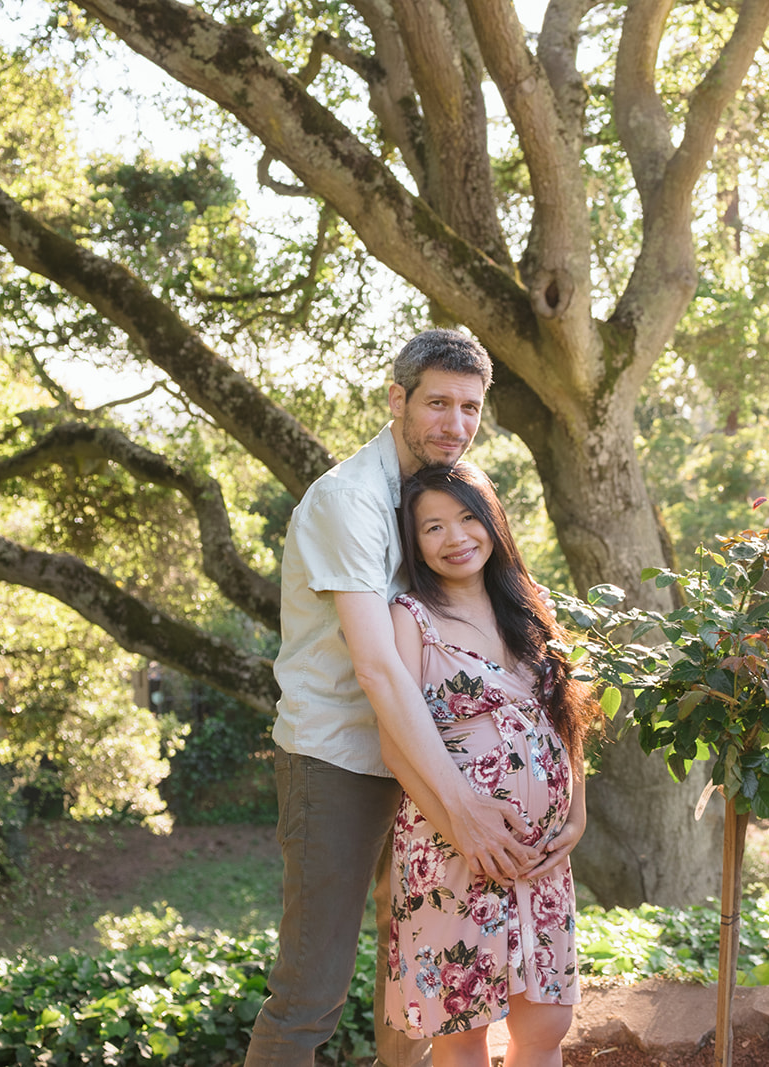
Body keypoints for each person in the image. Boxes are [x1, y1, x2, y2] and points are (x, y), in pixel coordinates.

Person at [248, 330, 541, 1067]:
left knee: (418, 971)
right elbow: (378, 669)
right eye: (438, 402)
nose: (454, 422)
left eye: (470, 407)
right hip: (337, 760)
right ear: (396, 399)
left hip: (423, 756)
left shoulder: (443, 495)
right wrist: (461, 806)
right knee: (311, 989)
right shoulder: (349, 500)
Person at [383, 462, 596, 1066]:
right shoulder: (410, 619)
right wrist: (468, 834)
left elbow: (567, 718)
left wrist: (575, 817)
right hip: (450, 849)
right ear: (414, 540)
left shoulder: (532, 608)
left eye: (469, 517)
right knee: (462, 1032)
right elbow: (397, 745)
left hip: (541, 855)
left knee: (546, 1026)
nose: (456, 538)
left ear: (493, 522)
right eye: (433, 527)